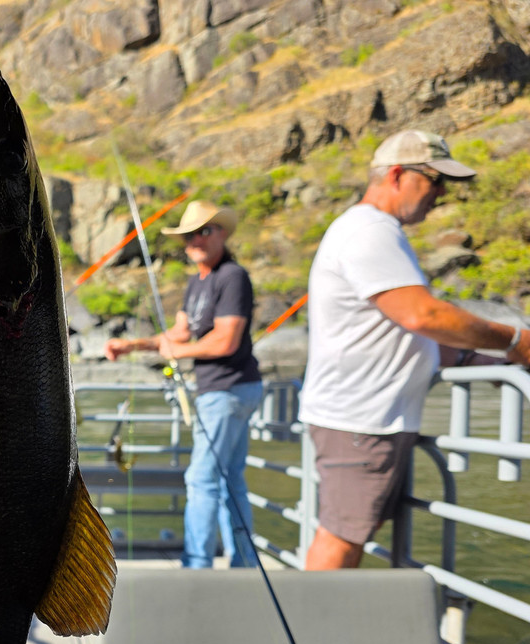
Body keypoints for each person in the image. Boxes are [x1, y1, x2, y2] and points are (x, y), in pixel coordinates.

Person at [299, 129, 530, 571]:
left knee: (352, 532)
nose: (441, 194)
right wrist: (516, 342)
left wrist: (480, 358)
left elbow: (402, 331)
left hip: (368, 418)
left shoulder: (372, 231)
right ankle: (306, 619)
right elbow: (423, 315)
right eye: (435, 180)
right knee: (341, 539)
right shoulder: (369, 232)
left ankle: (318, 614)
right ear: (397, 175)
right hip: (360, 419)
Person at [105, 200, 264, 568]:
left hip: (229, 389)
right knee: (230, 480)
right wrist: (132, 345)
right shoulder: (196, 283)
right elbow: (177, 333)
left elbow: (226, 340)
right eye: (190, 234)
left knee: (201, 478)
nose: (196, 240)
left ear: (222, 234)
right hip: (221, 390)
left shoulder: (232, 276)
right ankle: (245, 564)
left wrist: (179, 351)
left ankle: (196, 564)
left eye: (204, 231)